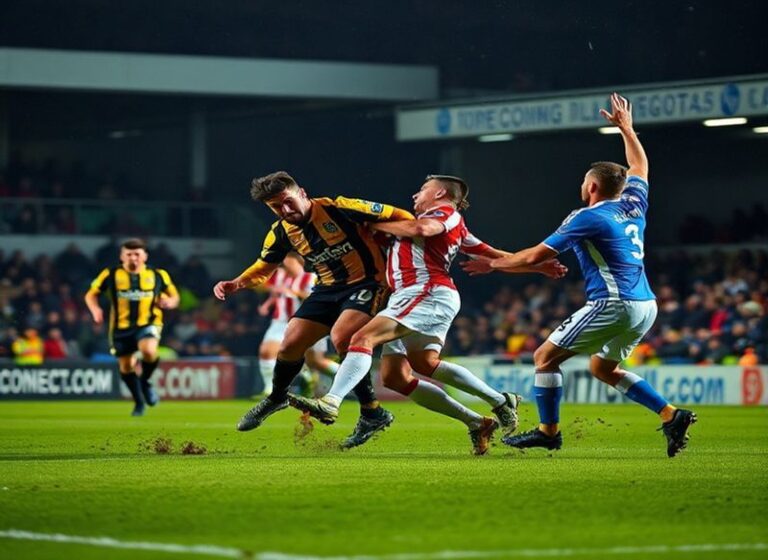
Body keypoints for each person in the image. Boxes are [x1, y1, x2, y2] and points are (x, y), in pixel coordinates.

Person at [462, 93, 697, 458]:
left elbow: (535, 255)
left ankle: (548, 432)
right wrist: (627, 130)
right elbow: (640, 168)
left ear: (591, 187)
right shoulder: (634, 204)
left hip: (613, 302)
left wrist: (493, 263)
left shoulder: (585, 217)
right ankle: (671, 415)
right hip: (645, 304)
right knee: (604, 368)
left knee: (544, 357)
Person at [289, 175, 567, 455]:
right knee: (402, 373)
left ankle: (331, 401)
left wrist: (373, 225)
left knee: (362, 338)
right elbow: (495, 256)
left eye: (423, 190)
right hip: (413, 297)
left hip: (425, 292)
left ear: (441, 193)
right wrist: (537, 267)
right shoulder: (453, 227)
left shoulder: (444, 213)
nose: (415, 195)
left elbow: (425, 228)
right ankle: (483, 416)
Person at [213, 171, 414, 448]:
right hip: (327, 289)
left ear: (302, 193)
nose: (284, 210)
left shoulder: (340, 208)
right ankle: (278, 397)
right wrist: (237, 283)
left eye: (288, 201)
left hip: (370, 282)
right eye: (275, 207)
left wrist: (387, 237)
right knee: (290, 344)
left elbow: (403, 216)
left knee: (343, 337)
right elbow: (264, 267)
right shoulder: (280, 232)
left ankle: (370, 410)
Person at [85, 238, 180, 416]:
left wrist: (170, 302)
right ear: (122, 256)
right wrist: (95, 309)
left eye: (137, 254)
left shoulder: (158, 274)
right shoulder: (111, 274)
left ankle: (144, 381)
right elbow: (91, 294)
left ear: (145, 256)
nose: (133, 258)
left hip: (149, 322)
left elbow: (174, 296)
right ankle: (138, 402)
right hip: (121, 327)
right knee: (126, 367)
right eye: (128, 254)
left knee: (149, 351)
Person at [255, 252, 337, 397]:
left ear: (299, 262)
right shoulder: (280, 275)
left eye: (289, 262)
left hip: (308, 323)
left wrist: (296, 292)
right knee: (266, 351)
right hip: (281, 322)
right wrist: (268, 299)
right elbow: (259, 284)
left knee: (316, 362)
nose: (285, 265)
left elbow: (318, 299)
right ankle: (269, 390)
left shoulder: (311, 278)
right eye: (284, 262)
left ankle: (353, 380)